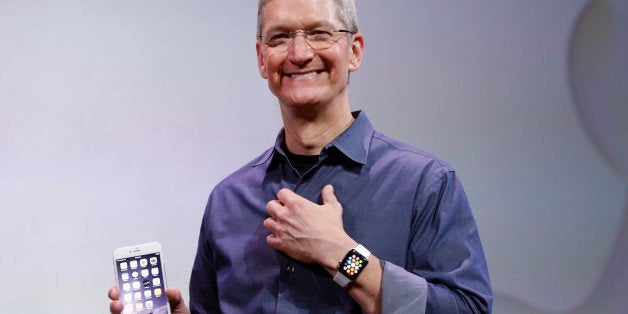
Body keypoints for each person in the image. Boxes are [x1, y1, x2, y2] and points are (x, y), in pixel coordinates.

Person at [109, 0, 492, 312]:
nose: (299, 53)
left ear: (354, 51)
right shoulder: (228, 199)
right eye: (279, 38)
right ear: (262, 59)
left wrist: (344, 256)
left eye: (319, 33)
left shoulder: (425, 183)